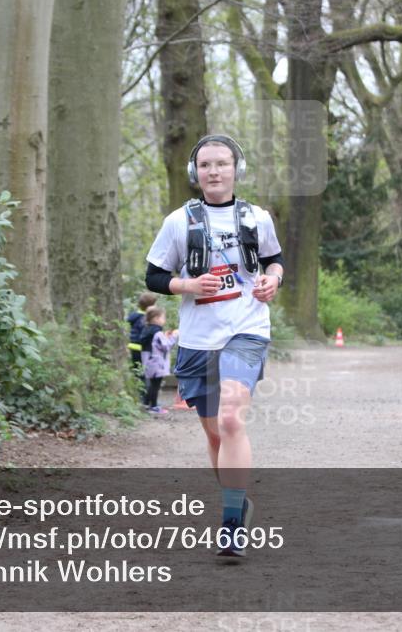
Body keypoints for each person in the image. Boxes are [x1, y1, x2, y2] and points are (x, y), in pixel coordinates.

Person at [145, 134, 284, 557]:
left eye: (222, 163)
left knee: (231, 419)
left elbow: (275, 259)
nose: (214, 171)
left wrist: (273, 279)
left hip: (247, 330)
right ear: (195, 172)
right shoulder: (178, 222)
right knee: (214, 433)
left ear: (236, 169)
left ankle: (230, 525)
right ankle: (238, 502)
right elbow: (153, 276)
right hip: (198, 340)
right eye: (205, 165)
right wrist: (187, 285)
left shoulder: (257, 218)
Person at [139, 306, 179, 415]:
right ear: (156, 318)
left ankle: (146, 404)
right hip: (157, 363)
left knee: (151, 384)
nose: (164, 320)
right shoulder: (158, 333)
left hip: (148, 362)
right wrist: (174, 336)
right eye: (163, 317)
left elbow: (156, 344)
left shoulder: (147, 330)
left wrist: (165, 336)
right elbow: (166, 346)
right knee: (155, 385)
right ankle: (154, 406)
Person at [126, 292, 157, 379]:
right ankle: (144, 386)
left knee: (137, 369)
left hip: (133, 346)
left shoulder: (134, 316)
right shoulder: (145, 319)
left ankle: (138, 383)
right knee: (144, 370)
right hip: (142, 348)